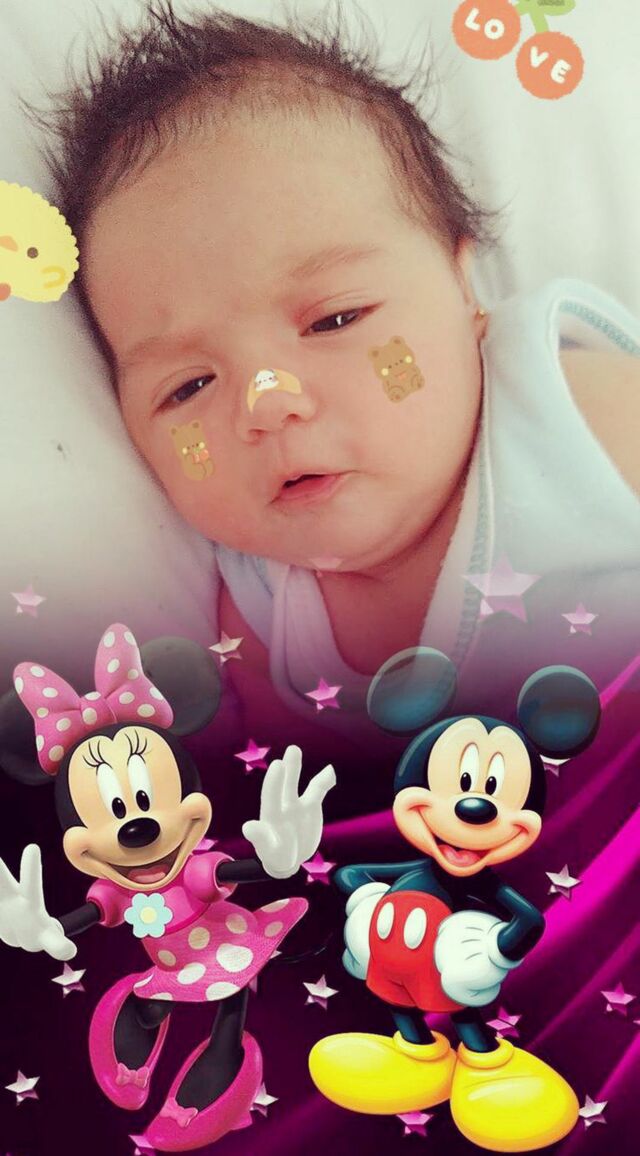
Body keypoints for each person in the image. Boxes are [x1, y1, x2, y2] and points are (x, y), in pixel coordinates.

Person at [38, 0, 640, 742]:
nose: (267, 404)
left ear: (462, 287)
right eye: (188, 387)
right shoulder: (260, 614)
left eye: (334, 320)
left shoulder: (569, 412)